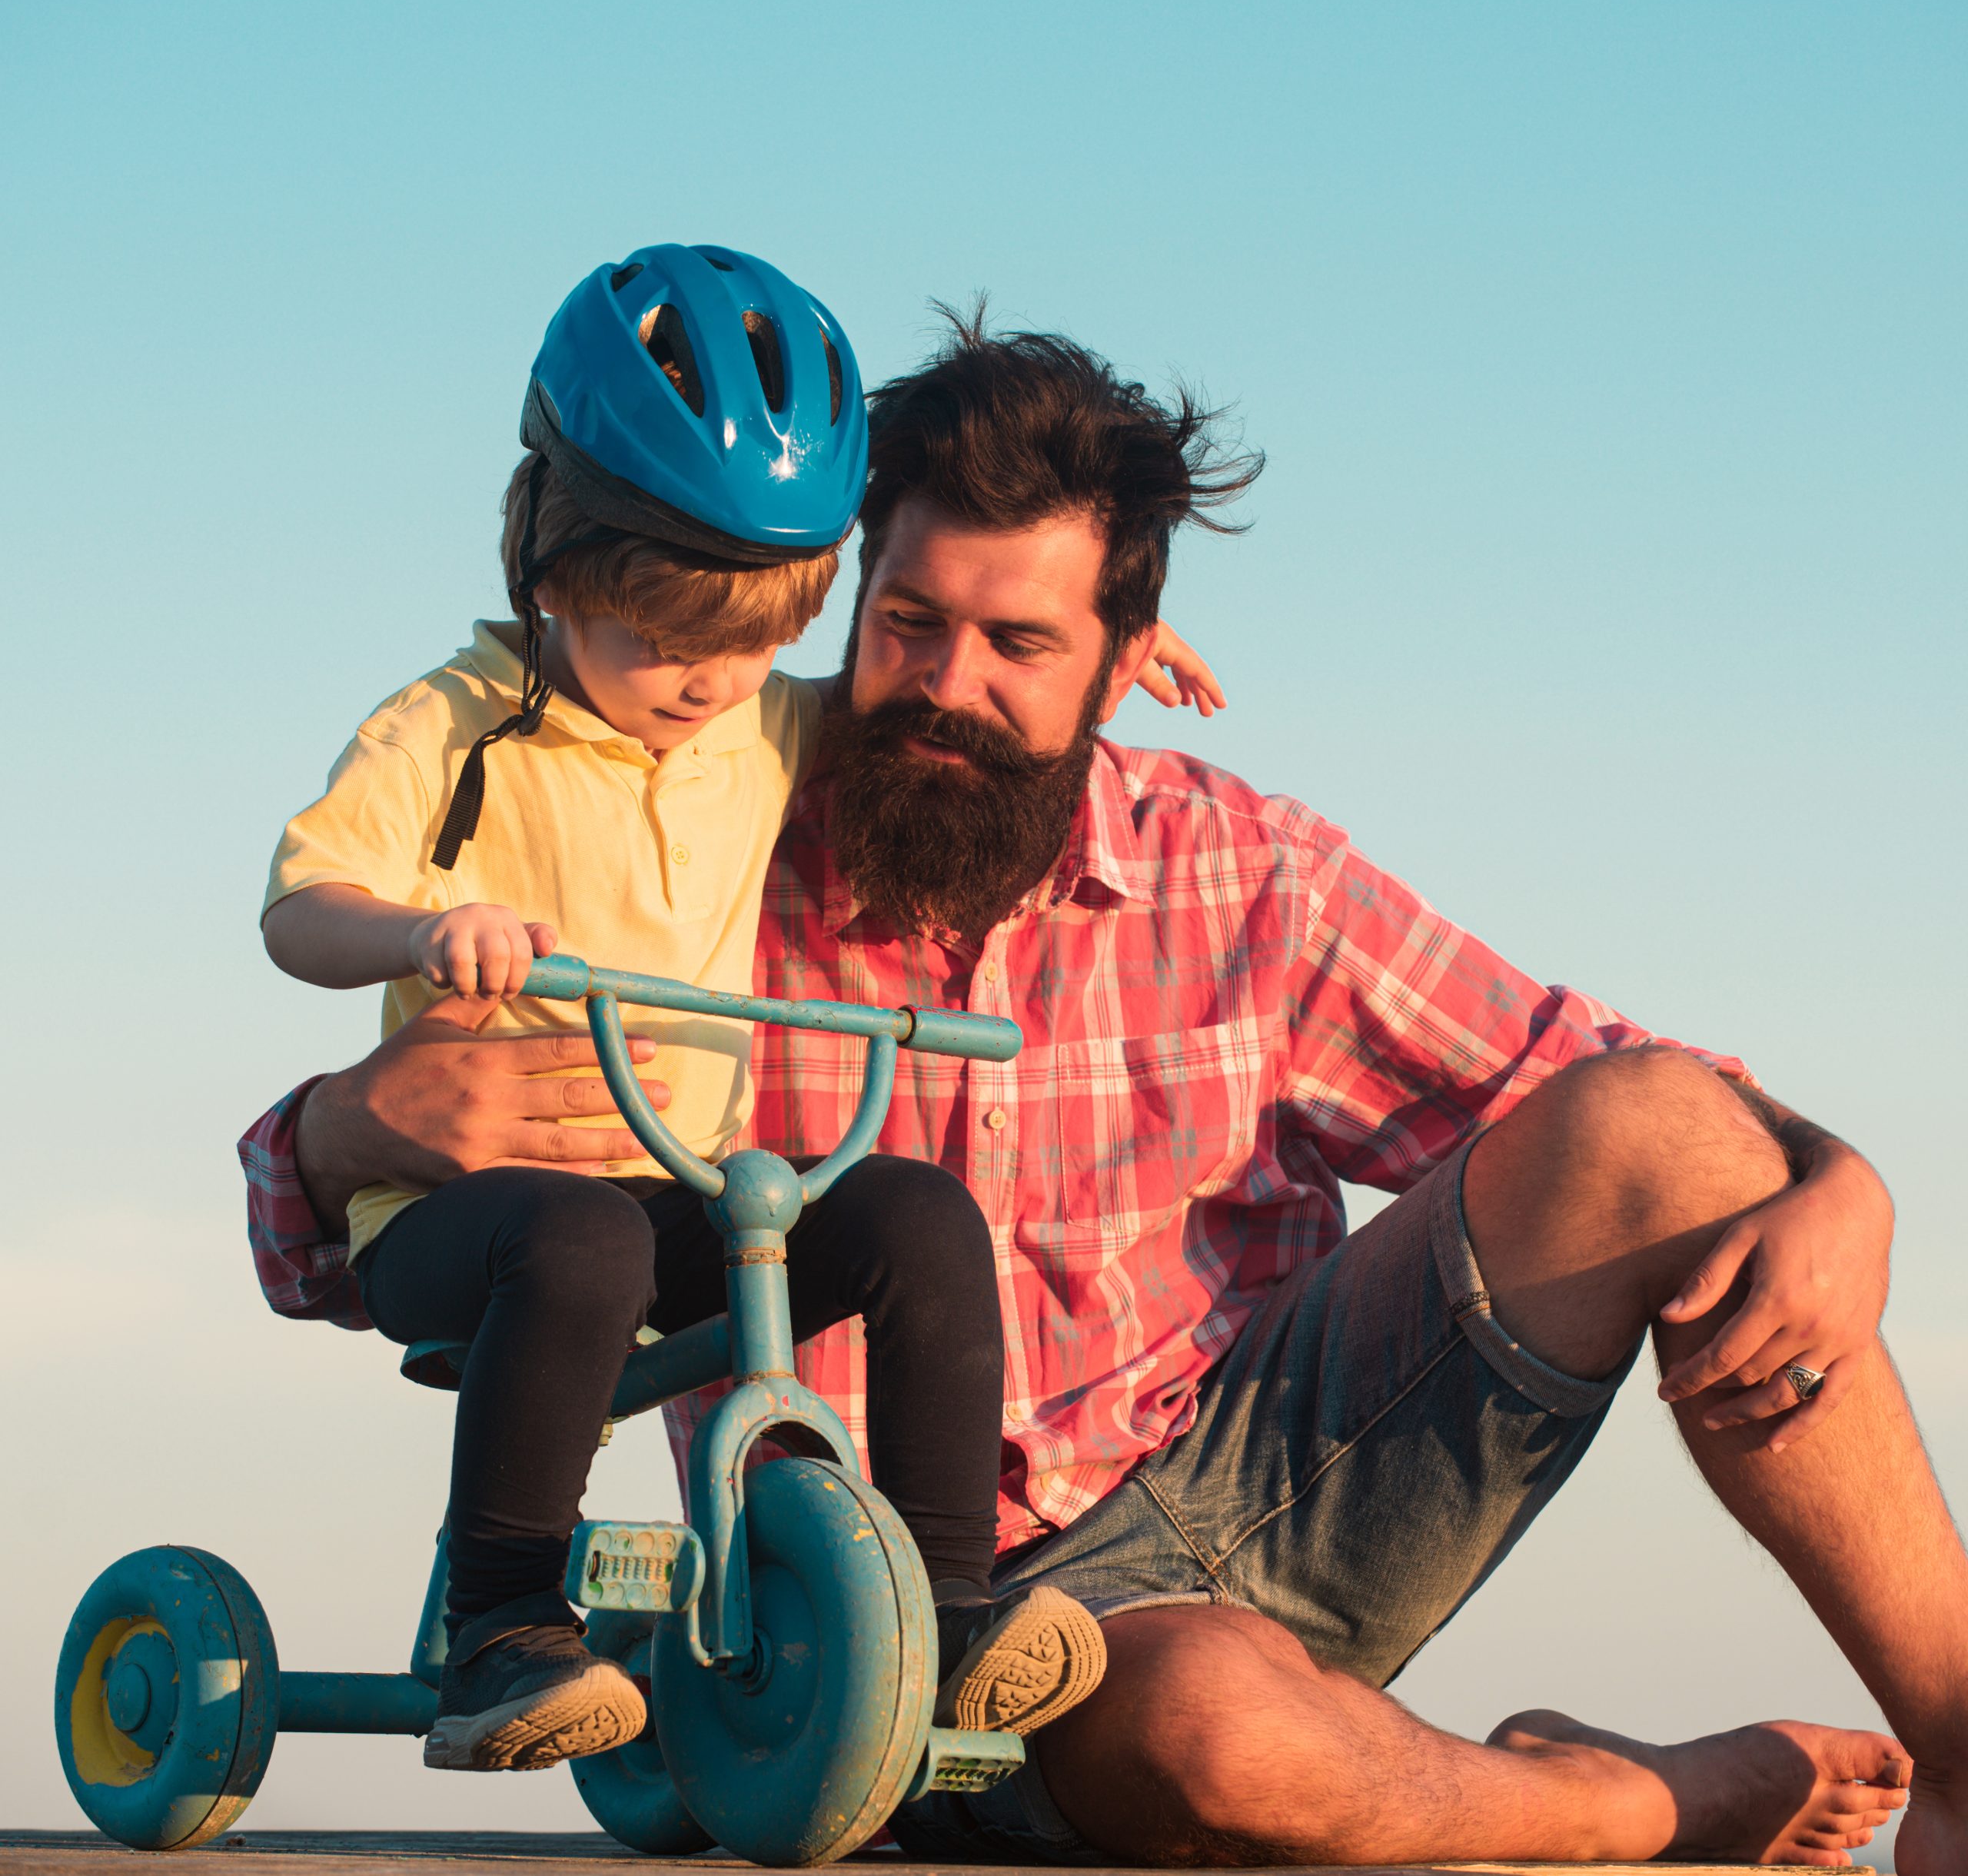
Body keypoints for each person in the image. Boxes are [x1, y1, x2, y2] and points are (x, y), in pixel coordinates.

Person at [242, 309, 1968, 1871]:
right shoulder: (707, 843)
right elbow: (403, 1245)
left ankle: (1963, 1759)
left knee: (1665, 1138)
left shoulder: (1240, 865)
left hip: (1284, 1475)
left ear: (1125, 650)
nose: (947, 684)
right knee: (1215, 1725)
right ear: (846, 598)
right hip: (936, 1618)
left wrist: (1837, 1180)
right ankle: (1617, 1800)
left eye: (1018, 641)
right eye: (909, 622)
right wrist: (346, 1128)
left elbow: (1624, 1095)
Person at [258, 250, 1215, 1776]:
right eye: (662, 640)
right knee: (578, 1240)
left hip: (669, 1192)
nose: (707, 680)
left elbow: (959, 697)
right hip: (456, 1213)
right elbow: (299, 906)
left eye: (754, 640)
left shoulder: (760, 726)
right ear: (550, 561)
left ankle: (950, 1611)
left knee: (908, 1213)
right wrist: (429, 928)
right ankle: (501, 1630)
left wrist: (1101, 644)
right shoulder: (456, 724)